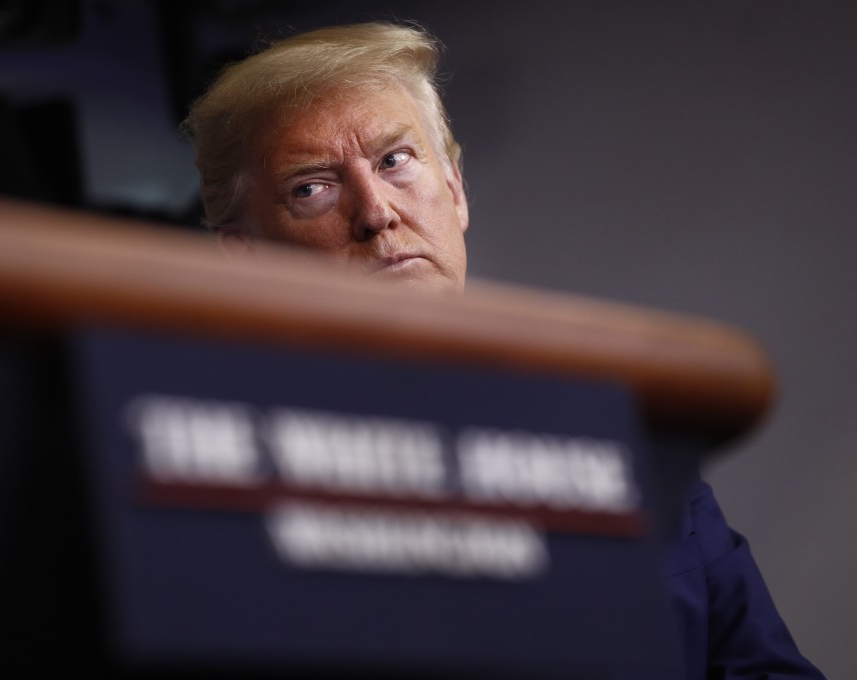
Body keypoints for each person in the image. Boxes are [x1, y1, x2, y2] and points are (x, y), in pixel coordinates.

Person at [182, 21, 824, 680]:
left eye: (395, 160)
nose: (376, 213)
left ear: (455, 190)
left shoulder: (624, 439)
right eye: (311, 188)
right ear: (246, 254)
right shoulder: (207, 486)